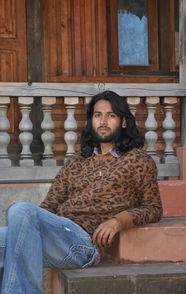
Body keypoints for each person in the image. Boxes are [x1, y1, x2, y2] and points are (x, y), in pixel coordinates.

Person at [0, 90, 162, 293]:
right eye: (97, 115)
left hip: (85, 243)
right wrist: (33, 228)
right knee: (21, 223)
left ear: (122, 122)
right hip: (58, 237)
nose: (103, 121)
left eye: (110, 115)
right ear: (91, 121)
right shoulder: (76, 162)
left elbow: (153, 208)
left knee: (20, 210)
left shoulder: (138, 160)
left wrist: (119, 220)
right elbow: (48, 207)